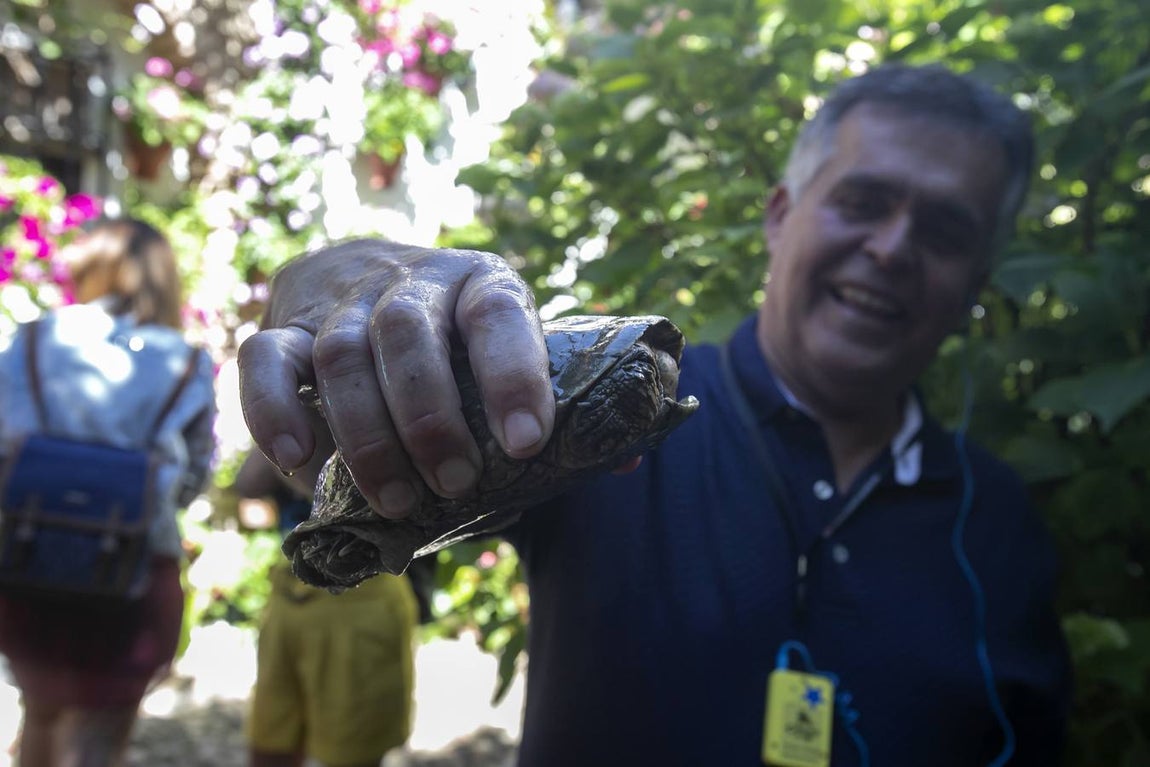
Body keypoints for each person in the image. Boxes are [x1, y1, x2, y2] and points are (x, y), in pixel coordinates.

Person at [237, 63, 1072, 766]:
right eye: (863, 201)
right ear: (780, 217)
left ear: (976, 282)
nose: (892, 247)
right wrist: (356, 287)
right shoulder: (636, 416)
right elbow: (435, 420)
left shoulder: (998, 522)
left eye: (945, 229)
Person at [0, 218, 217, 766]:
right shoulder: (185, 360)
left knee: (39, 710)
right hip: (134, 564)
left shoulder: (34, 337)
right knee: (103, 733)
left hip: (32, 552)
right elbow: (193, 475)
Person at [234, 449, 419, 767]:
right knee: (271, 734)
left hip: (364, 593)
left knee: (351, 750)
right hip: (291, 592)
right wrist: (285, 429)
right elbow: (248, 487)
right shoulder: (294, 412)